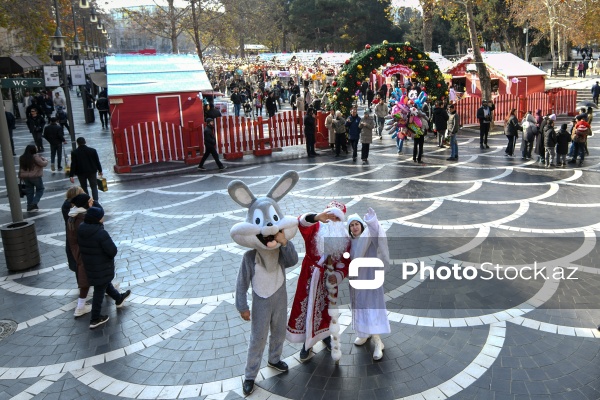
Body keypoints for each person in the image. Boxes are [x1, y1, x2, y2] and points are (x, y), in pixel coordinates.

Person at [286, 200, 351, 362]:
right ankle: (307, 344)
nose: (332, 221)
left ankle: (325, 336)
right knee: (307, 308)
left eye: (336, 218)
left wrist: (338, 275)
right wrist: (316, 217)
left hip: (329, 279)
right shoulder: (315, 228)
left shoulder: (344, 237)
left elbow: (345, 261)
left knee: (325, 310)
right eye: (329, 217)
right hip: (310, 275)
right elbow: (301, 221)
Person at [77, 206, 131, 329]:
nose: (103, 218)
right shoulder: (100, 233)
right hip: (102, 266)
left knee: (104, 284)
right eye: (102, 216)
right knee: (99, 291)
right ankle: (95, 318)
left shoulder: (81, 228)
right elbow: (112, 250)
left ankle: (119, 298)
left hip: (90, 265)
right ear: (97, 218)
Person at [347, 208, 390, 360]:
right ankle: (364, 334)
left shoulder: (369, 236)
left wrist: (372, 220)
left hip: (370, 279)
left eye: (357, 223)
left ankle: (378, 342)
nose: (354, 227)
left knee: (372, 308)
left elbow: (377, 231)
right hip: (357, 282)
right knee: (360, 307)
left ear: (362, 225)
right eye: (351, 225)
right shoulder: (349, 242)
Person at [67, 193, 96, 317]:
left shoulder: (74, 215)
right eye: (90, 200)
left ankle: (115, 294)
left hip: (79, 250)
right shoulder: (81, 219)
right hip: (84, 251)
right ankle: (80, 307)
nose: (92, 201)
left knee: (98, 274)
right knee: (85, 279)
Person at [69, 137, 103, 201]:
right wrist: (100, 170)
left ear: (77, 143)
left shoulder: (74, 152)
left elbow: (73, 164)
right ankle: (95, 201)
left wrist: (71, 175)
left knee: (84, 187)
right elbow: (97, 161)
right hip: (92, 171)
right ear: (85, 142)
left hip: (81, 172)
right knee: (94, 186)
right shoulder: (92, 150)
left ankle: (87, 201)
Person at [18, 145, 47, 211]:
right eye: (36, 148)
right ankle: (34, 203)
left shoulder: (22, 157)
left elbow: (20, 168)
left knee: (29, 191)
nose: (37, 149)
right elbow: (43, 164)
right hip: (35, 176)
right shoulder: (35, 157)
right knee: (40, 189)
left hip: (25, 177)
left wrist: (20, 176)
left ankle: (29, 205)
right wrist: (45, 160)